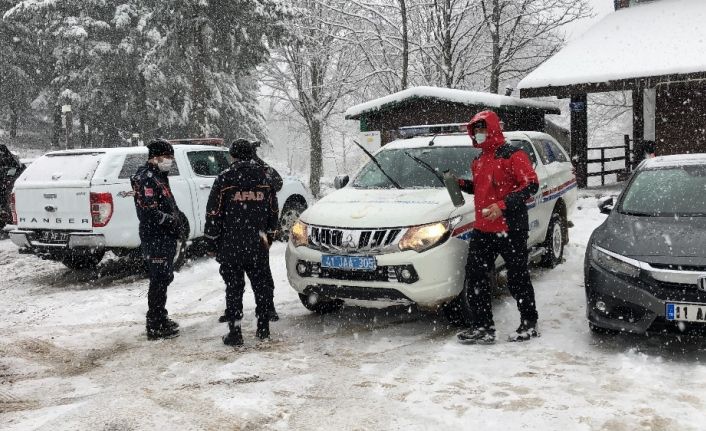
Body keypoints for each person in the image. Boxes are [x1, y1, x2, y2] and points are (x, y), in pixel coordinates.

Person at [456, 111, 540, 344]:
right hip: (483, 228)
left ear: (492, 129)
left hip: (511, 228)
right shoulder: (479, 159)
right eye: (475, 131)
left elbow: (530, 185)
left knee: (517, 277)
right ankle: (483, 326)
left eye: (482, 130)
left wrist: (502, 206)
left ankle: (529, 323)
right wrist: (462, 184)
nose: (478, 135)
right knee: (476, 278)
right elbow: (482, 189)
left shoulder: (513, 155)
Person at [205, 139, 280, 346]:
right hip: (258, 243)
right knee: (261, 285)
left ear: (233, 156)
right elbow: (274, 210)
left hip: (231, 243)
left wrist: (211, 241)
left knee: (234, 288)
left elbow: (213, 213)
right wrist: (269, 235)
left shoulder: (224, 178)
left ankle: (235, 331)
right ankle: (263, 328)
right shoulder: (264, 177)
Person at [131, 139, 184, 340]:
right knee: (159, 280)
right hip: (155, 236)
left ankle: (160, 316)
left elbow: (167, 203)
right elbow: (148, 212)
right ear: (155, 157)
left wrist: (177, 220)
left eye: (171, 157)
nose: (169, 161)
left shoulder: (159, 177)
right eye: (167, 157)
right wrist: (170, 221)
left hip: (164, 235)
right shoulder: (147, 179)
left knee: (164, 277)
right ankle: (154, 323)